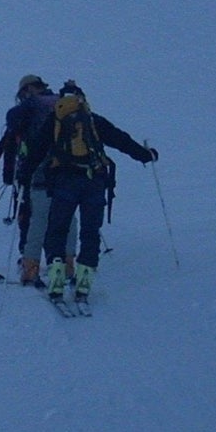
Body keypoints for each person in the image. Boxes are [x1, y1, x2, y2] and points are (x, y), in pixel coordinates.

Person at [40, 81, 156, 305]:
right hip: (94, 182)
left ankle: (56, 278)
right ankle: (84, 282)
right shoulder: (93, 120)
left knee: (57, 230)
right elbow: (121, 140)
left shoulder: (54, 121)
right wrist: (145, 155)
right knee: (90, 232)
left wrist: (23, 175)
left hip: (64, 181)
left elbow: (36, 151)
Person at [0, 74, 77, 286]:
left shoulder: (28, 108)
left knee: (31, 218)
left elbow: (11, 138)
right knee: (66, 216)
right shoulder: (63, 103)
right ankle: (67, 263)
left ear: (27, 90)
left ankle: (30, 266)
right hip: (70, 169)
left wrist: (9, 175)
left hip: (35, 172)